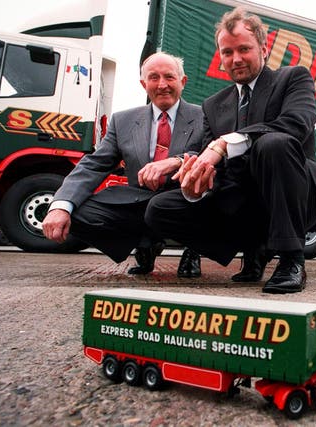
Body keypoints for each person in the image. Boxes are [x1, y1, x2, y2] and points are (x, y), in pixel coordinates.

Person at [145, 8, 316, 293]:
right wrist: (199, 186)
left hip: (289, 196)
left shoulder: (292, 78)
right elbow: (215, 167)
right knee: (159, 209)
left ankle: (292, 259)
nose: (236, 59)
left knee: (274, 143)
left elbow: (296, 125)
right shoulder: (213, 104)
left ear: (264, 49)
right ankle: (254, 248)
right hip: (241, 203)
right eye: (228, 52)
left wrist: (225, 142)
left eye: (244, 49)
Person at [42, 52, 204, 277]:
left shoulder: (204, 116)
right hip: (140, 200)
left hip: (185, 202)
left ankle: (193, 248)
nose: (162, 85)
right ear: (143, 84)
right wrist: (60, 206)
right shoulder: (123, 121)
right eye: (154, 77)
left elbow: (211, 155)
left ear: (183, 82)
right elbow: (93, 165)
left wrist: (177, 162)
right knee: (76, 213)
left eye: (169, 77)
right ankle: (145, 243)